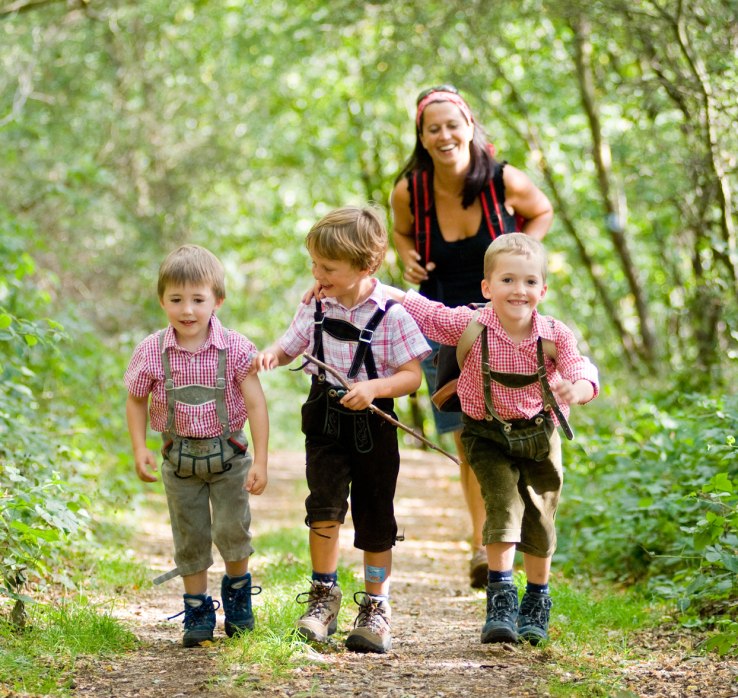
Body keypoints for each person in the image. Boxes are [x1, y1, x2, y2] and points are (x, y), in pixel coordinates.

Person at [383, 233, 598, 645]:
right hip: (485, 433)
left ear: (543, 289)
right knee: (500, 506)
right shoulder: (470, 324)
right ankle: (501, 599)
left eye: (530, 282)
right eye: (508, 280)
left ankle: (536, 600)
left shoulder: (555, 335)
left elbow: (581, 369)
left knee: (539, 518)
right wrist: (376, 287)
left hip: (540, 435)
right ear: (487, 287)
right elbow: (425, 311)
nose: (519, 290)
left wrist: (579, 389)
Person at [390, 84, 554, 588]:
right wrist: (404, 253)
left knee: (522, 431)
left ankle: (527, 537)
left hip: (508, 318)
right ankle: (484, 544)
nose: (445, 135)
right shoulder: (409, 190)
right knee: (469, 438)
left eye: (452, 125)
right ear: (422, 136)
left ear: (469, 126)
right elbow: (399, 230)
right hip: (446, 321)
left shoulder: (502, 179)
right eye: (433, 128)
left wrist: (521, 254)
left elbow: (542, 210)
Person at [253, 205, 430, 654]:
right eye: (314, 264)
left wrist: (375, 387)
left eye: (327, 267)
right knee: (324, 507)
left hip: (373, 425)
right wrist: (272, 354)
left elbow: (413, 376)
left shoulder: (393, 314)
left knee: (375, 515)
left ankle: (375, 606)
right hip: (325, 419)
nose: (317, 273)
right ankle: (322, 597)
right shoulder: (316, 302)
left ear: (365, 267)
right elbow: (293, 345)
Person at [124, 244, 269, 648]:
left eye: (198, 300)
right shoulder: (152, 350)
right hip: (179, 460)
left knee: (232, 529)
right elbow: (135, 399)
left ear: (217, 301)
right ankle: (197, 607)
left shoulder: (235, 348)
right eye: (176, 299)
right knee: (189, 537)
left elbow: (256, 404)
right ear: (162, 300)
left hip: (230, 460)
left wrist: (263, 460)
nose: (187, 310)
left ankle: (238, 595)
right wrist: (140, 449)